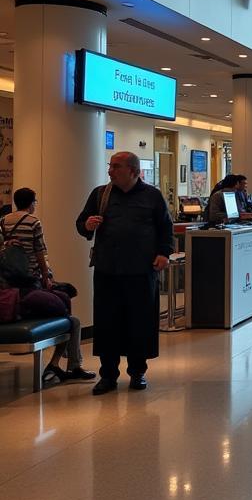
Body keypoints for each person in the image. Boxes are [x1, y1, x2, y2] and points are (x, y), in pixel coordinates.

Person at [76, 152, 173, 394]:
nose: (110, 171)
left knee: (139, 322)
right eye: (110, 166)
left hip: (141, 272)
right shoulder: (101, 194)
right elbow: (81, 223)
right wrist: (87, 226)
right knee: (108, 322)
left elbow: (165, 227)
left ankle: (137, 372)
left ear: (132, 170)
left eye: (115, 167)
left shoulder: (152, 196)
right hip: (108, 270)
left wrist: (164, 253)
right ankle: (108, 375)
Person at [3, 187, 93, 383]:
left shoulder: (3, 222)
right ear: (32, 203)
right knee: (65, 306)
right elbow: (39, 252)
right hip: (30, 282)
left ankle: (62, 365)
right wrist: (46, 275)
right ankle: (63, 364)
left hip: (9, 284)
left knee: (61, 304)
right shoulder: (34, 222)